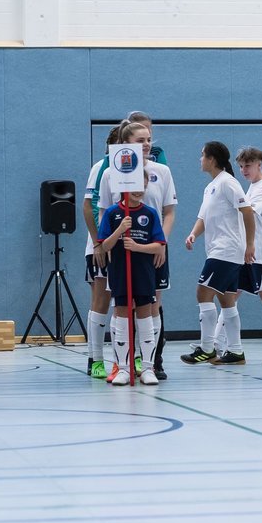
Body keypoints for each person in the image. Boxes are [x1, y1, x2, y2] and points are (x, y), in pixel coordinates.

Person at [98, 120, 178, 380]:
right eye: (139, 140)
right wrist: (109, 243)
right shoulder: (112, 172)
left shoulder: (161, 171)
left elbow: (168, 211)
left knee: (151, 306)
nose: (146, 144)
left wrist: (159, 245)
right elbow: (106, 213)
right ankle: (121, 365)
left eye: (148, 139)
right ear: (126, 144)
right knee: (122, 306)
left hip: (153, 249)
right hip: (121, 253)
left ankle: (151, 364)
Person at [211, 147, 262, 361]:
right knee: (231, 293)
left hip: (261, 250)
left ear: (259, 164)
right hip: (246, 250)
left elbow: (247, 212)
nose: (243, 170)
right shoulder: (251, 188)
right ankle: (215, 343)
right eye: (240, 166)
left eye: (247, 165)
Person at [181, 141, 255, 366]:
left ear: (212, 159)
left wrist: (249, 244)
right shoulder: (211, 186)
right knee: (227, 301)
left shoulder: (228, 183)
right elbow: (203, 217)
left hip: (227, 250)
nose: (200, 159)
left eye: (202, 155)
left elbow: (247, 212)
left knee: (202, 293)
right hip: (217, 250)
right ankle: (236, 351)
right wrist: (194, 234)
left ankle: (207, 348)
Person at [97, 173, 166, 386]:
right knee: (122, 316)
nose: (138, 189)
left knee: (145, 316)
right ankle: (124, 369)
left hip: (144, 272)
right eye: (134, 185)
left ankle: (147, 368)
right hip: (120, 271)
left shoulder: (150, 213)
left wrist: (137, 247)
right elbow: (104, 246)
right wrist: (120, 229)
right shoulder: (113, 213)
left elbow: (159, 245)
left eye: (143, 185)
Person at [81, 123, 124, 378]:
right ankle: (95, 359)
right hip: (101, 246)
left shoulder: (136, 170)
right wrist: (98, 241)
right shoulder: (101, 167)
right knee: (101, 301)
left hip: (127, 245)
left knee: (128, 302)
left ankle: (129, 359)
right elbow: (89, 207)